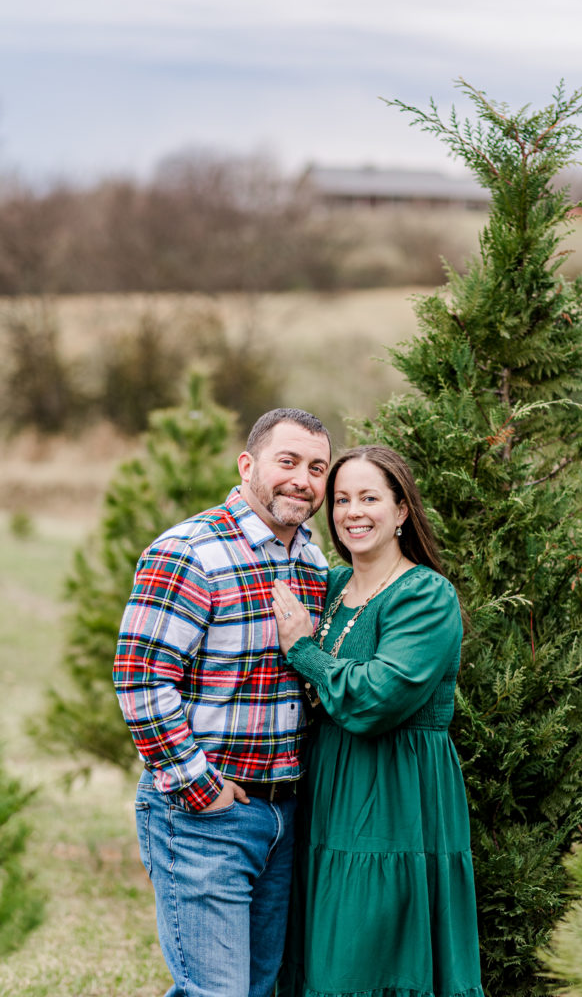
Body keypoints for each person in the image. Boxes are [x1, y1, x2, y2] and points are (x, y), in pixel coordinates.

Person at [113, 408, 332, 997]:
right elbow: (140, 678)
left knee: (258, 990)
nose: (302, 480)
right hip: (206, 815)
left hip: (283, 816)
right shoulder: (190, 550)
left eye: (316, 467)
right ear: (248, 464)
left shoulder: (313, 565)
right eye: (287, 462)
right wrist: (198, 787)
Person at [271, 444, 484, 997]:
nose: (352, 512)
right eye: (341, 499)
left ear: (401, 511)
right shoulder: (334, 586)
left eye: (370, 497)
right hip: (328, 788)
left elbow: (376, 699)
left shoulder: (426, 596)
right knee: (322, 948)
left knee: (370, 955)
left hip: (394, 794)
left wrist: (303, 651)